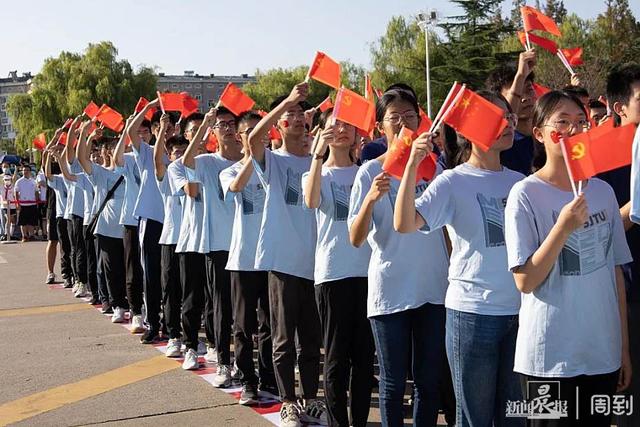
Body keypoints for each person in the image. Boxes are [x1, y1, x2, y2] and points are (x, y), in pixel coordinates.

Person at [394, 91, 525, 426]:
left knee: (514, 416)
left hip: (520, 312)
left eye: (508, 117)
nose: (507, 124)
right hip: (473, 315)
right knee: (473, 417)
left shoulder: (520, 183)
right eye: (497, 119)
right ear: (468, 130)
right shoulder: (453, 181)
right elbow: (405, 222)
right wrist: (410, 165)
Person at [504, 90, 632, 426]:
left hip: (601, 353)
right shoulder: (525, 194)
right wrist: (562, 226)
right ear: (540, 133)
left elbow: (615, 270)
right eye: (563, 122)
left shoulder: (602, 192)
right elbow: (525, 280)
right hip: (549, 360)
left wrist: (622, 348)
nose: (573, 131)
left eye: (580, 122)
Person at [348, 87, 449, 427]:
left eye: (410, 117)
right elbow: (356, 238)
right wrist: (370, 200)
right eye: (395, 118)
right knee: (392, 383)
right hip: (391, 290)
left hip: (434, 287)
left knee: (428, 382)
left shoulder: (434, 169)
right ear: (380, 127)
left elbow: (448, 229)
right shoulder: (368, 173)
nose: (403, 124)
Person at [248, 83, 327, 427]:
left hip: (317, 262)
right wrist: (288, 102)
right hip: (282, 260)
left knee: (311, 339)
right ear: (279, 124)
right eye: (289, 115)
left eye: (300, 114)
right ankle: (288, 401)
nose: (296, 119)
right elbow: (252, 140)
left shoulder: (317, 160)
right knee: (283, 338)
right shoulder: (275, 161)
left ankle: (311, 398)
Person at [302, 108, 374, 427]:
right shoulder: (317, 173)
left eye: (348, 124)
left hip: (369, 272)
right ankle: (336, 422)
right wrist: (317, 157)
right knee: (335, 358)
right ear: (323, 133)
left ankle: (359, 420)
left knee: (363, 359)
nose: (342, 130)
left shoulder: (366, 174)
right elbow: (311, 200)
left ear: (359, 134)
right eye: (335, 125)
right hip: (332, 273)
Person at [220, 110, 278, 404]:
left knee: (271, 326)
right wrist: (255, 158)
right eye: (251, 132)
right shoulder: (229, 170)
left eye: (261, 131)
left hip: (271, 258)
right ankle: (248, 381)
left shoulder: (275, 166)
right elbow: (236, 187)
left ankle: (270, 378)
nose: (257, 136)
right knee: (244, 327)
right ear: (240, 137)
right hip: (243, 259)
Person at [182, 106, 242, 380]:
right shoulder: (207, 162)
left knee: (245, 313)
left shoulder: (250, 160)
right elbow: (187, 161)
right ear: (213, 132)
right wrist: (205, 123)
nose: (228, 128)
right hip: (218, 243)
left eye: (232, 123)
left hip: (248, 244)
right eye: (222, 125)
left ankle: (245, 364)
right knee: (221, 306)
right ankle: (223, 361)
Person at [602, 62, 640, 427]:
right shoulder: (600, 159)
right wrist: (636, 204)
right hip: (627, 293)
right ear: (620, 108)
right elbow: (594, 229)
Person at [171, 112, 212, 364]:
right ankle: (189, 345)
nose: (201, 134)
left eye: (204, 130)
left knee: (214, 299)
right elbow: (192, 191)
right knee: (192, 297)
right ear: (186, 136)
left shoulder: (216, 161)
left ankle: (215, 343)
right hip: (191, 238)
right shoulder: (178, 166)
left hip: (216, 239)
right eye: (195, 130)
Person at [77, 122, 128, 323]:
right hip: (106, 228)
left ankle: (133, 304)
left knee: (129, 270)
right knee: (111, 269)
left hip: (129, 228)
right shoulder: (101, 173)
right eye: (114, 148)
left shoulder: (132, 172)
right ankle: (117, 304)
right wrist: (85, 134)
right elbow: (82, 158)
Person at [126, 105, 167, 343]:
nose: (165, 129)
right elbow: (131, 130)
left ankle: (174, 326)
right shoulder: (145, 152)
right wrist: (149, 108)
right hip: (151, 218)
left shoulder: (179, 154)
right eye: (161, 126)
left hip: (176, 221)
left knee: (171, 277)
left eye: (170, 126)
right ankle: (152, 322)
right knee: (151, 275)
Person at [154, 114, 188, 365]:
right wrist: (162, 132)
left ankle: (190, 340)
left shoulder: (197, 174)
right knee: (170, 291)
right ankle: (173, 336)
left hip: (193, 240)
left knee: (191, 293)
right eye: (174, 152)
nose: (179, 156)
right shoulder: (167, 177)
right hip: (170, 239)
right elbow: (157, 159)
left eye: (182, 151)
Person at [114, 116, 146, 333]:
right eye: (138, 132)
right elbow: (116, 160)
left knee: (153, 271)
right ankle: (136, 312)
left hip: (153, 219)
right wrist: (126, 128)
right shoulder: (129, 158)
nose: (142, 135)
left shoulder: (155, 155)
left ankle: (154, 310)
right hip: (132, 220)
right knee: (133, 268)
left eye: (146, 132)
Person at [486, 51, 537, 176]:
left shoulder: (546, 140)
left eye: (529, 90)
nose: (525, 98)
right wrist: (520, 76)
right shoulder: (501, 144)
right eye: (519, 91)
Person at [44, 141, 73, 289]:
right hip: (60, 215)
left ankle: (76, 275)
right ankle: (66, 274)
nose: (60, 153)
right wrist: (49, 155)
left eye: (63, 150)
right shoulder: (59, 178)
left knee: (73, 248)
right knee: (63, 247)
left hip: (74, 215)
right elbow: (48, 175)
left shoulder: (73, 174)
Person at [14, 163, 39, 241]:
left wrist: (37, 201)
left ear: (30, 171)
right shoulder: (19, 181)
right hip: (23, 204)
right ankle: (24, 236)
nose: (25, 172)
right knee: (23, 222)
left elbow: (36, 192)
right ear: (22, 171)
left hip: (32, 204)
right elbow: (16, 193)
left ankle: (31, 235)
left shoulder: (33, 181)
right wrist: (17, 203)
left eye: (27, 170)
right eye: (24, 170)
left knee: (31, 221)